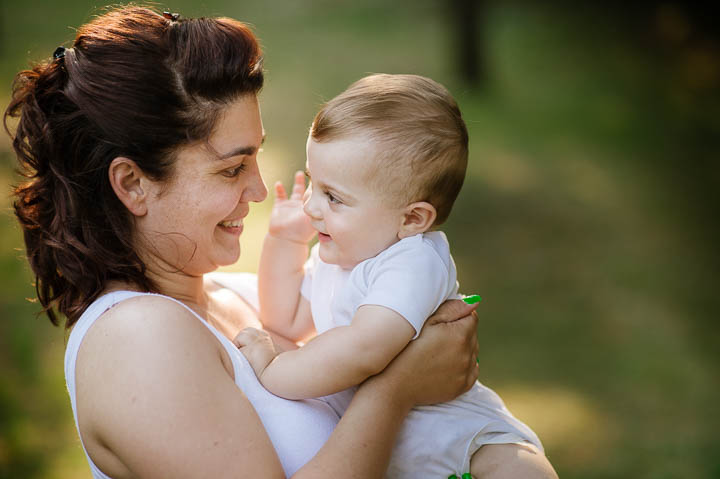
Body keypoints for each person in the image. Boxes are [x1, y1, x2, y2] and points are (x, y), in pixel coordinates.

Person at [4, 7, 484, 478]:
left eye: (256, 158)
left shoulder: (235, 296)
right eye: (232, 168)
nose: (257, 191)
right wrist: (397, 389)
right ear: (133, 184)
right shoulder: (136, 338)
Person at [244, 74, 558, 478]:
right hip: (396, 451)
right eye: (314, 184)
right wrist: (284, 241)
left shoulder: (413, 262)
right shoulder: (344, 256)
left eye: (334, 197)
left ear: (412, 218)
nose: (311, 207)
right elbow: (284, 318)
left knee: (521, 471)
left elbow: (362, 349)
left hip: (459, 435)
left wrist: (273, 371)